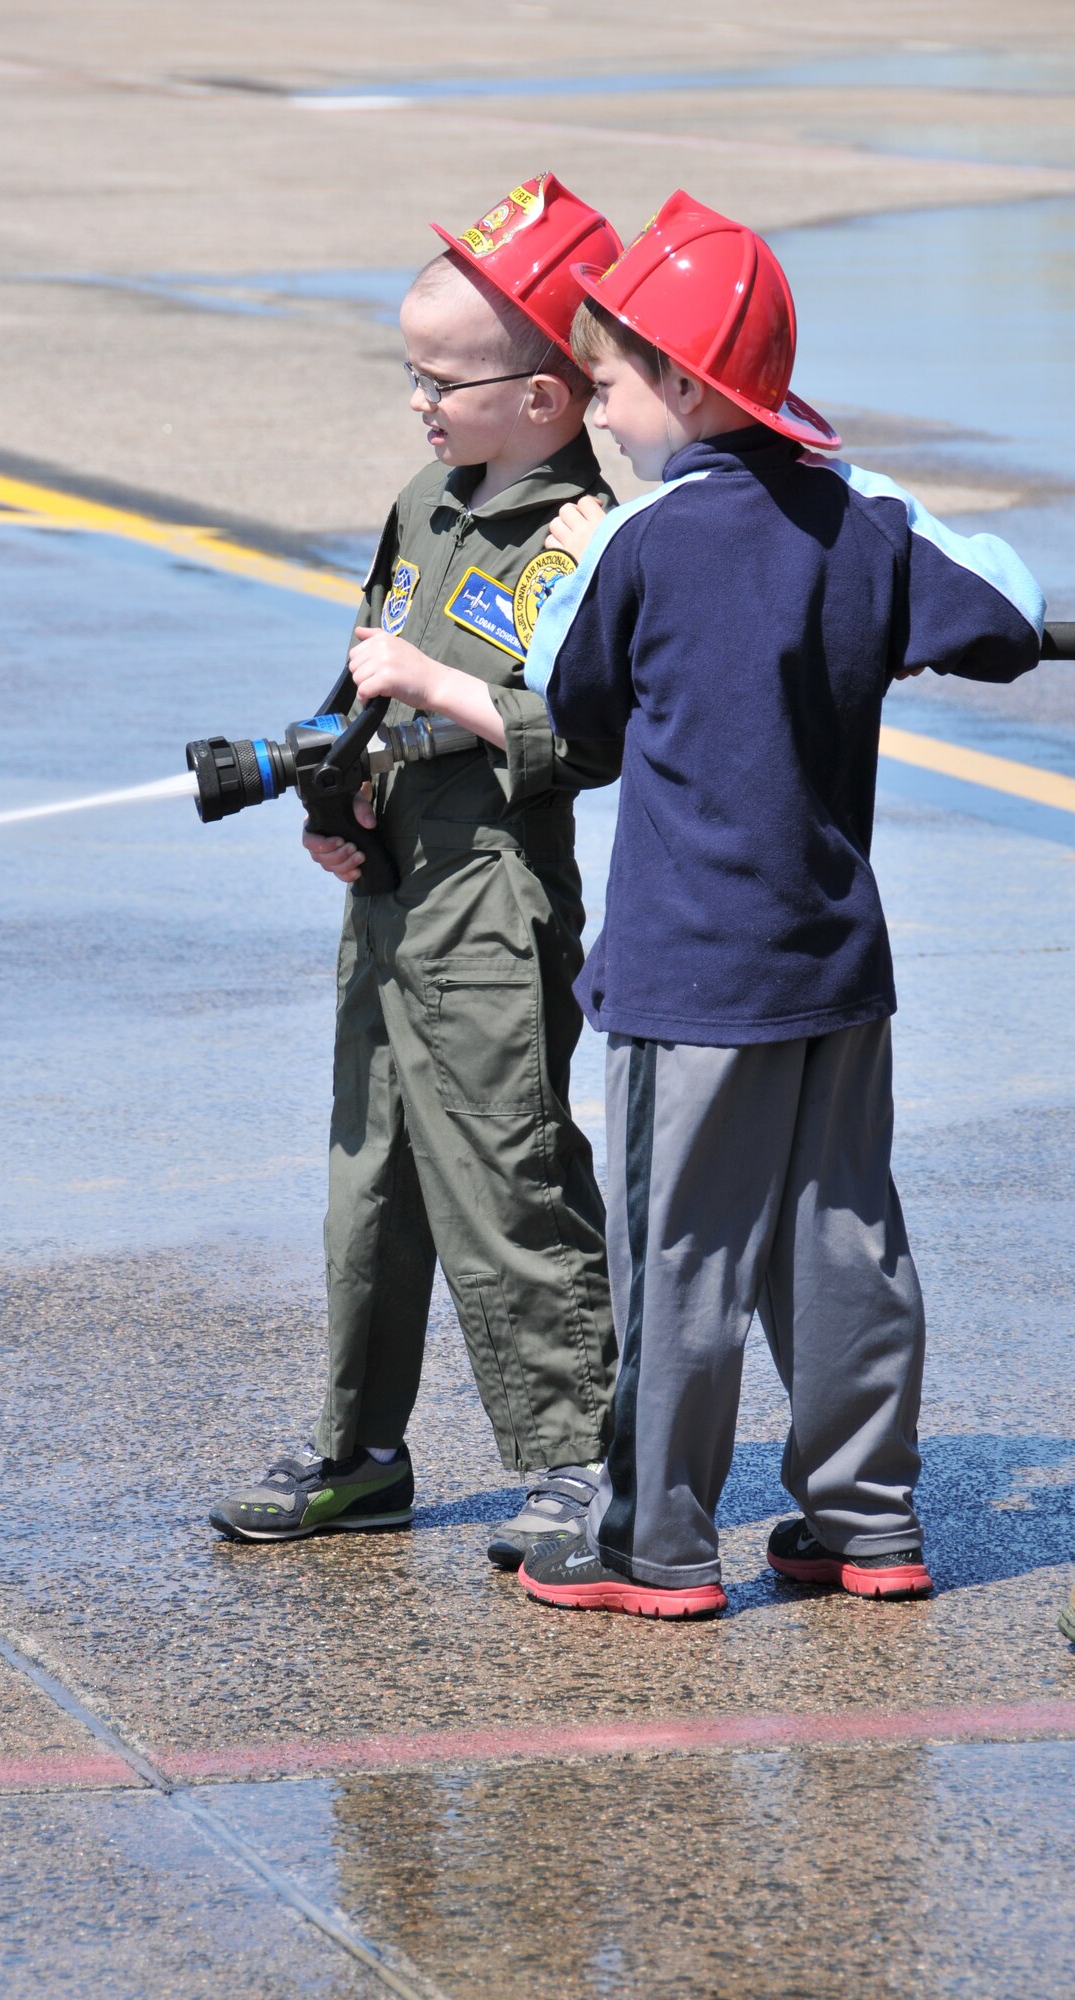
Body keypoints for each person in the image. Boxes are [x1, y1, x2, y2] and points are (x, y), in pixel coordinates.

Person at [511, 189, 1045, 1618]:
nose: (605, 415)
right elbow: (1001, 611)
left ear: (682, 384)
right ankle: (865, 1524)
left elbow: (581, 716)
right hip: (833, 964)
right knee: (843, 1244)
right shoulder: (861, 525)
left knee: (676, 1260)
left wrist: (578, 566)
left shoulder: (644, 545)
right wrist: (867, 494)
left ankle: (653, 1545)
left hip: (691, 975)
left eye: (614, 383)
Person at [210, 177, 624, 1567]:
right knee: (367, 1179)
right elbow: (360, 673)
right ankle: (362, 1450)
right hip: (391, 880)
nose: (420, 402)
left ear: (547, 401)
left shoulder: (582, 543)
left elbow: (585, 736)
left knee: (508, 1178)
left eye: (444, 379)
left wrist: (437, 689)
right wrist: (330, 792)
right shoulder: (428, 499)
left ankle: (578, 1466)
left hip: (490, 897)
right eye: (412, 373)